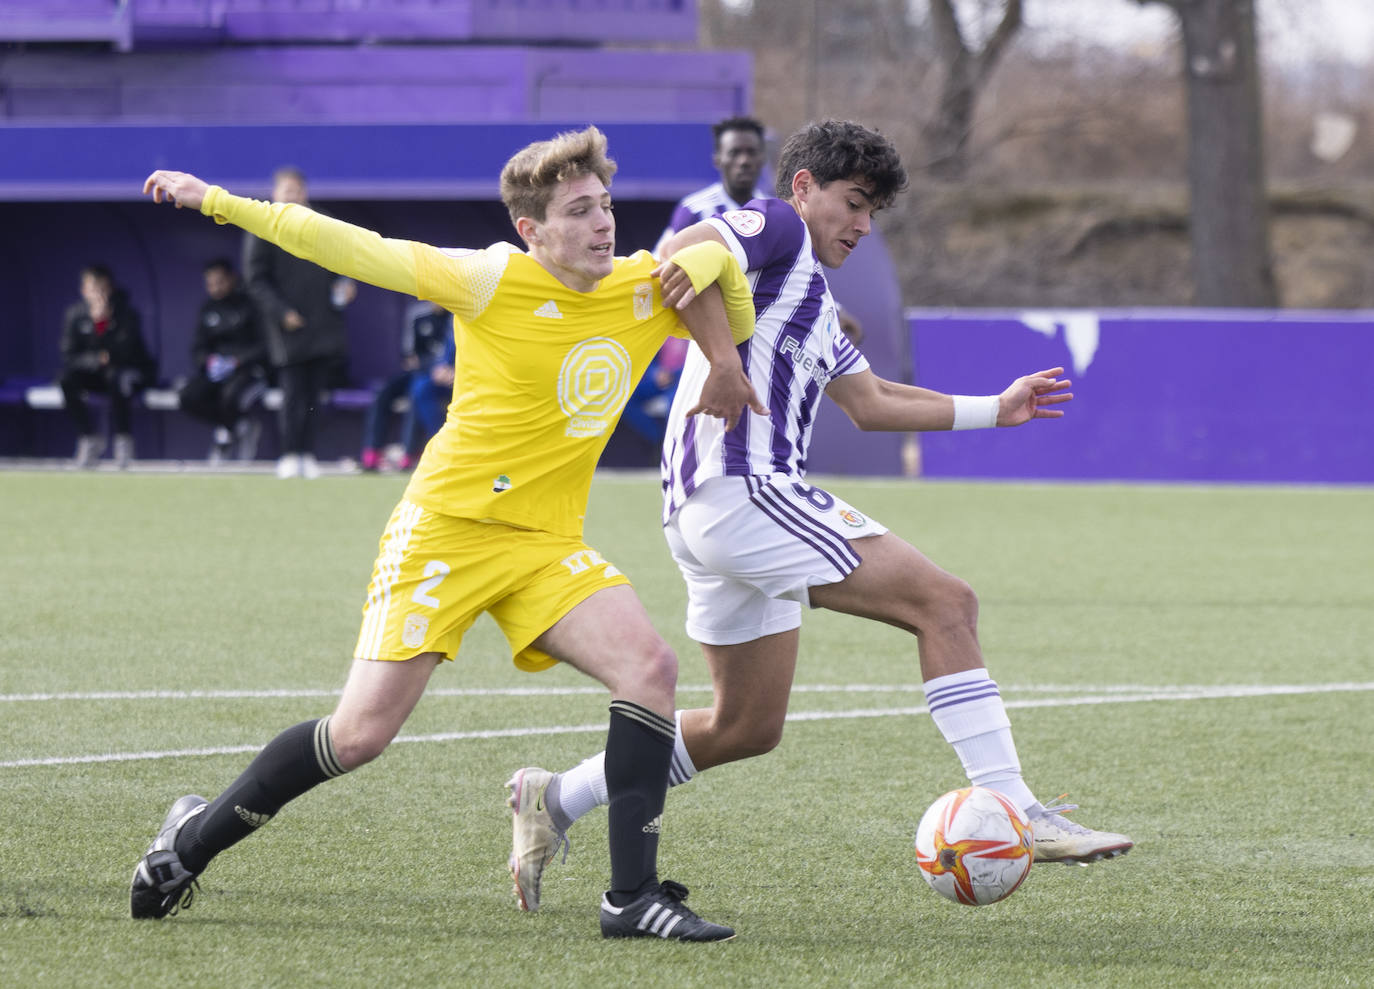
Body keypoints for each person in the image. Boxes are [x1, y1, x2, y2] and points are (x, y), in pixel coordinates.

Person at [134, 124, 768, 942]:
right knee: (359, 736)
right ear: (532, 230)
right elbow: (350, 247)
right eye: (579, 211)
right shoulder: (489, 278)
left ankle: (632, 896)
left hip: (543, 542)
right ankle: (186, 843)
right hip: (447, 530)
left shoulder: (643, 285)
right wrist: (219, 202)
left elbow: (736, 312)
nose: (603, 223)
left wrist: (714, 268)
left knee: (650, 668)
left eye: (606, 204)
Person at [505, 120, 1134, 913]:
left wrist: (994, 408)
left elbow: (869, 401)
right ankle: (1016, 807)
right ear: (803, 188)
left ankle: (554, 797)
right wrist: (725, 362)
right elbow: (683, 252)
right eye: (854, 203)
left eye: (874, 212)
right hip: (745, 489)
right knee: (946, 603)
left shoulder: (810, 298)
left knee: (745, 725)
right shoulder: (774, 226)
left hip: (711, 512)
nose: (864, 225)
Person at [243, 165, 355, 479]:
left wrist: (345, 285)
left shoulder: (323, 221)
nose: (292, 196)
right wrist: (282, 313)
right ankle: (289, 454)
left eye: (296, 190)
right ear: (275, 194)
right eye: (286, 191)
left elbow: (344, 263)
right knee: (293, 395)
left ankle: (308, 454)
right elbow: (255, 280)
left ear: (304, 192)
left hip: (323, 324)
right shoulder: (263, 225)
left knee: (315, 395)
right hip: (287, 330)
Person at [58, 263, 157, 469]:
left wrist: (103, 324)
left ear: (110, 288)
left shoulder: (126, 313)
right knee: (66, 379)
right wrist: (96, 358)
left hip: (128, 373)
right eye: (93, 289)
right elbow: (69, 355)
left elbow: (125, 352)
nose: (98, 294)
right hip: (94, 374)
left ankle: (123, 443)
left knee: (117, 378)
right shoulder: (75, 314)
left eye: (102, 288)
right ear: (84, 291)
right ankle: (88, 438)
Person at [177, 258, 269, 462]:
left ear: (232, 278)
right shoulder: (208, 308)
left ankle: (224, 438)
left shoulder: (251, 304)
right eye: (210, 283)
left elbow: (265, 346)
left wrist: (237, 361)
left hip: (250, 371)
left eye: (220, 282)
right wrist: (208, 361)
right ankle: (239, 427)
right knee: (188, 396)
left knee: (231, 396)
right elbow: (198, 347)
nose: (215, 288)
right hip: (218, 372)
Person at [653, 115, 770, 258]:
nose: (744, 161)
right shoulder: (695, 210)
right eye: (734, 153)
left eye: (751, 152)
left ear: (763, 158)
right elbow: (661, 259)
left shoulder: (771, 212)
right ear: (717, 160)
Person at [359, 299, 452, 472]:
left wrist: (445, 369)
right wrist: (432, 367)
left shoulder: (455, 316)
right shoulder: (418, 314)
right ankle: (372, 451)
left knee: (417, 391)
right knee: (384, 392)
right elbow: (410, 358)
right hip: (423, 370)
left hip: (450, 375)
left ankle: (410, 452)